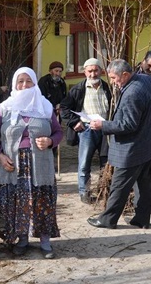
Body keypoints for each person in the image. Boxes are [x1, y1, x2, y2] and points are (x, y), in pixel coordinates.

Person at [85, 59, 151, 230]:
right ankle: (142, 219)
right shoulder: (144, 79)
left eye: (115, 78)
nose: (113, 83)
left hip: (132, 147)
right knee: (143, 185)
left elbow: (128, 124)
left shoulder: (132, 92)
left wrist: (103, 125)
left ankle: (108, 219)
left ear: (125, 74)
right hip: (147, 142)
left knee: (119, 184)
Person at [0, 67, 63, 259]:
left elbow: (58, 131)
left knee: (42, 200)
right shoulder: (6, 107)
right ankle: (22, 239)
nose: (24, 85)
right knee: (17, 202)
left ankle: (45, 240)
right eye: (20, 81)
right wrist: (0, 155)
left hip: (40, 164)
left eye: (28, 81)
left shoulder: (44, 106)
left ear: (34, 83)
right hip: (13, 165)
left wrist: (50, 141)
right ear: (14, 84)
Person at [60, 58, 112, 204]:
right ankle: (84, 193)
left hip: (105, 129)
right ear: (85, 72)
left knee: (106, 162)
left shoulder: (108, 88)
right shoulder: (77, 89)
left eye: (96, 70)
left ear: (101, 71)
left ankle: (104, 190)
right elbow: (64, 108)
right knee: (84, 164)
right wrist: (74, 122)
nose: (93, 74)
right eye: (90, 71)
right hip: (87, 130)